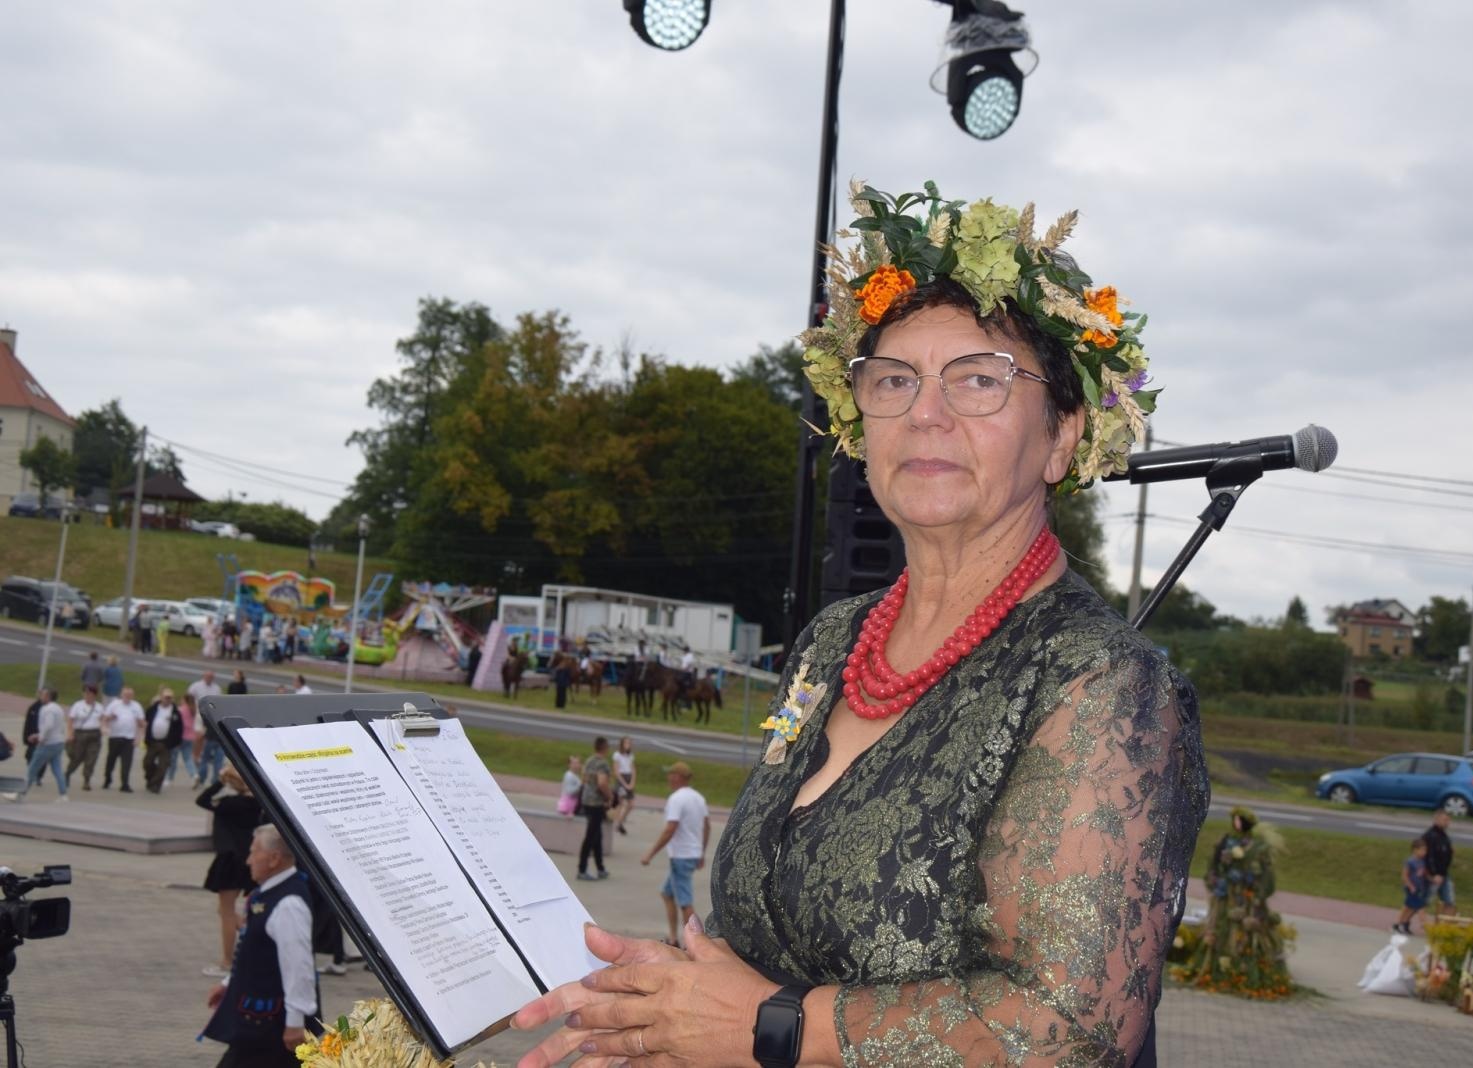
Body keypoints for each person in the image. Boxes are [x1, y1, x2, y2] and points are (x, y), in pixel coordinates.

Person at [513, 180, 1205, 1067]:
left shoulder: (1103, 685)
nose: (926, 412)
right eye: (893, 380)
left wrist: (771, 1029)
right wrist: (667, 1005)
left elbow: (1068, 1033)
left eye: (980, 380)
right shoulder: (834, 640)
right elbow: (768, 947)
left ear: (1063, 434)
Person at [202, 824, 320, 1066]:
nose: (248, 860)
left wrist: (295, 1022)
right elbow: (254, 952)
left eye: (254, 852)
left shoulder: (289, 904)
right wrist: (228, 983)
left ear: (274, 858)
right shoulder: (267, 893)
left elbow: (298, 965)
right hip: (261, 1025)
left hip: (271, 1024)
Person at [1174, 806, 1288, 996]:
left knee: (1247, 932)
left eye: (1239, 820)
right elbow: (1213, 867)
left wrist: (1254, 889)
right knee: (1220, 929)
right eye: (1234, 820)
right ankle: (1216, 968)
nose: (1236, 823)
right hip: (1225, 898)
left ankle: (1245, 970)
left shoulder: (1258, 847)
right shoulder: (1225, 842)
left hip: (1246, 901)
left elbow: (1266, 878)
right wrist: (1216, 880)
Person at [197, 765, 264, 978]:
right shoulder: (256, 804)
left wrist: (221, 781)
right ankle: (250, 940)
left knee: (226, 912)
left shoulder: (226, 804)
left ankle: (227, 961)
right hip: (248, 860)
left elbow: (202, 800)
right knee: (229, 910)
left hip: (228, 859)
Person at [641, 761, 710, 948]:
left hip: (681, 857)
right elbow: (707, 826)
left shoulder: (676, 799)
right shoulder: (698, 798)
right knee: (667, 893)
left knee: (685, 903)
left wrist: (650, 853)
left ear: (678, 777)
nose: (668, 778)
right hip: (691, 854)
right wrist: (701, 852)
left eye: (670, 774)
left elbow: (670, 829)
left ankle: (696, 945)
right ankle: (673, 938)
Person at [3, 688, 70, 802]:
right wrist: (37, 735)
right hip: (58, 742)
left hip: (47, 744)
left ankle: (20, 794)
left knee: (32, 768)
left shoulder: (47, 709)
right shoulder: (58, 708)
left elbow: (48, 726)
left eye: (43, 695)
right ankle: (63, 794)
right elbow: (57, 727)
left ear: (48, 697)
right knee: (57, 769)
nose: (41, 697)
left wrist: (41, 738)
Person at [575, 736, 613, 881]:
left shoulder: (589, 761)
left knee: (597, 834)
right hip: (596, 803)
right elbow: (602, 783)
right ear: (605, 748)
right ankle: (582, 869)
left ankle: (600, 868)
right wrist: (609, 796)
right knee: (591, 836)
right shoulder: (603, 764)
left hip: (586, 800)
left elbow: (584, 778)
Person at [101, 685, 144, 792]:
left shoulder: (136, 706)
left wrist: (139, 738)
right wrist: (106, 725)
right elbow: (105, 718)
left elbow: (141, 723)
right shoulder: (114, 704)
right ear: (121, 695)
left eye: (130, 695)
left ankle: (125, 783)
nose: (127, 697)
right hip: (115, 737)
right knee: (111, 760)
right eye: (125, 695)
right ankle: (107, 779)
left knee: (127, 762)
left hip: (129, 738)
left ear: (132, 696)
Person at [63, 686, 105, 791]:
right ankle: (67, 774)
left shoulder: (99, 707)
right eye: (85, 693)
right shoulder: (78, 705)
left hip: (94, 735)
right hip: (80, 734)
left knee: (91, 759)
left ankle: (87, 780)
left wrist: (103, 728)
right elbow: (70, 720)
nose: (87, 695)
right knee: (77, 758)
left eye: (90, 693)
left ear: (94, 695)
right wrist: (70, 734)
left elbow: (102, 720)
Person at [142, 687, 184, 793]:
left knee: (163, 766)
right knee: (147, 763)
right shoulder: (153, 709)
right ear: (161, 697)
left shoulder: (175, 713)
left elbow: (179, 729)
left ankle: (155, 785)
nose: (168, 700)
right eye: (166, 697)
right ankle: (150, 778)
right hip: (153, 742)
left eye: (170, 698)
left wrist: (175, 743)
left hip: (166, 744)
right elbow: (146, 722)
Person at [1422, 806, 1458, 918]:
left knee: (1449, 901)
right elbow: (1429, 857)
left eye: (1448, 820)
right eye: (1444, 820)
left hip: (1444, 874)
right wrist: (1433, 873)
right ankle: (1405, 922)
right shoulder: (1430, 836)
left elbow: (1446, 854)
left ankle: (1446, 924)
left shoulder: (1444, 836)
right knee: (1424, 901)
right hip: (1433, 874)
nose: (1447, 823)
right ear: (1436, 819)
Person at [1395, 838, 1430, 934]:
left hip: (1419, 888)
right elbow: (1404, 876)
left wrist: (1430, 879)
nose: (1424, 852)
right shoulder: (1410, 861)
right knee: (1421, 907)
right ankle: (1425, 926)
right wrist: (1410, 886)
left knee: (1408, 907)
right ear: (1415, 850)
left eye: (1425, 850)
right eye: (1422, 850)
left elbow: (1423, 874)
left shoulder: (1422, 861)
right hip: (1411, 888)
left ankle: (1400, 924)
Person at [168, 693, 202, 786]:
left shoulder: (181, 709)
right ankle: (194, 775)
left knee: (173, 758)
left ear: (184, 700)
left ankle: (169, 777)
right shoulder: (193, 709)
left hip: (179, 737)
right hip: (190, 737)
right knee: (188, 758)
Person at [610, 735, 637, 834]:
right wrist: (625, 784)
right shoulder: (617, 755)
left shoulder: (630, 756)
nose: (628, 745)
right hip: (621, 780)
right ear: (622, 744)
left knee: (631, 804)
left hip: (629, 778)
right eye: (626, 743)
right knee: (620, 803)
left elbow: (633, 770)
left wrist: (632, 782)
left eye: (629, 743)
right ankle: (615, 823)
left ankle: (620, 822)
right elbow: (616, 772)